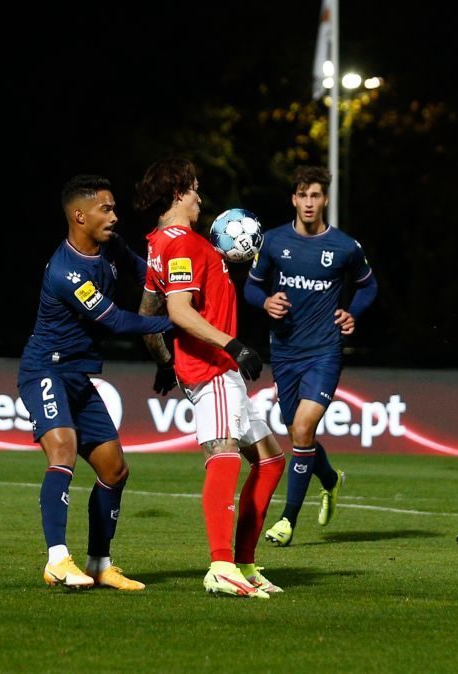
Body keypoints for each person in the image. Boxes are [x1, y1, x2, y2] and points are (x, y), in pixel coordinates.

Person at [135, 157, 285, 599]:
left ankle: (243, 564)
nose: (201, 197)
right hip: (214, 368)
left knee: (271, 459)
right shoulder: (180, 243)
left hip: (212, 368)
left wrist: (163, 360)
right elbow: (178, 312)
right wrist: (233, 346)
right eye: (196, 188)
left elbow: (148, 313)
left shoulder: (161, 243)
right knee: (224, 454)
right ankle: (221, 565)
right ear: (179, 192)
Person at [17, 174, 173, 590]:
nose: (115, 216)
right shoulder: (67, 272)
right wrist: (179, 323)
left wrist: (184, 288)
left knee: (115, 469)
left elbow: (148, 276)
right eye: (106, 208)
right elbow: (118, 321)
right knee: (63, 450)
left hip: (79, 375)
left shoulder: (112, 247)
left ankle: (100, 563)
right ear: (79, 215)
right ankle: (56, 560)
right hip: (44, 370)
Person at [245, 165, 377, 547]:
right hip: (285, 353)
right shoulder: (272, 242)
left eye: (315, 195)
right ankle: (331, 480)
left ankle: (287, 520)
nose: (308, 202)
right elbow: (251, 289)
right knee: (298, 433)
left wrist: (353, 312)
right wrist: (267, 300)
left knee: (302, 430)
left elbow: (369, 287)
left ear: (325, 199)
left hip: (324, 352)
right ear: (293, 199)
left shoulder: (345, 248)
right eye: (302, 195)